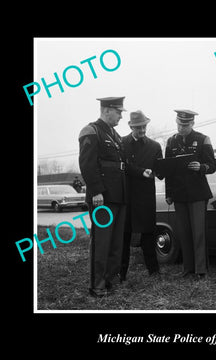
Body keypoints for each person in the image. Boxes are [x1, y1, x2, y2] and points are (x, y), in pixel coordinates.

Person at [78, 96, 128, 297]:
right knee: (102, 242)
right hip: (103, 197)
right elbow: (87, 164)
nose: (120, 117)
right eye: (118, 112)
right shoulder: (91, 131)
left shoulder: (115, 135)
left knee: (116, 242)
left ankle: (110, 280)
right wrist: (97, 191)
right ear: (107, 110)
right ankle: (97, 285)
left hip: (118, 196)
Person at [165, 110, 216, 279]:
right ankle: (187, 268)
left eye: (185, 125)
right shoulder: (171, 142)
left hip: (197, 194)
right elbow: (168, 171)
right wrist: (169, 193)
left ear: (193, 124)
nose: (182, 128)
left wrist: (201, 167)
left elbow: (212, 165)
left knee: (198, 233)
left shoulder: (203, 139)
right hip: (179, 195)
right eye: (179, 124)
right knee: (184, 233)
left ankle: (201, 270)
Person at [120, 110, 163, 280]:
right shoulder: (121, 144)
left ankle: (154, 272)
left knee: (148, 236)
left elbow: (160, 170)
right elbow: (121, 166)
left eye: (144, 126)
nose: (142, 130)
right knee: (124, 237)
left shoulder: (155, 146)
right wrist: (140, 172)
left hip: (146, 199)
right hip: (127, 197)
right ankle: (121, 273)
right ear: (130, 126)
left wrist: (169, 168)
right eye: (138, 127)